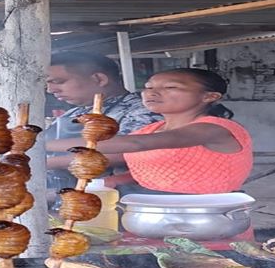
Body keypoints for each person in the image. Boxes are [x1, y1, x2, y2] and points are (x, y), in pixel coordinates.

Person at [47, 68, 252, 196]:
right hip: (147, 208)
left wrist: (37, 145)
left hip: (206, 215)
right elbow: (151, 168)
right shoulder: (151, 128)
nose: (152, 92)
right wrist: (109, 182)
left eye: (171, 87)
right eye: (148, 87)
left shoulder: (215, 129)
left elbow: (135, 145)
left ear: (210, 96)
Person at [45, 52, 161, 189]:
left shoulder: (142, 111)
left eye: (58, 82)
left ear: (99, 79)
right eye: (47, 83)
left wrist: (43, 163)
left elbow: (124, 153)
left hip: (109, 195)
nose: (50, 90)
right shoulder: (74, 112)